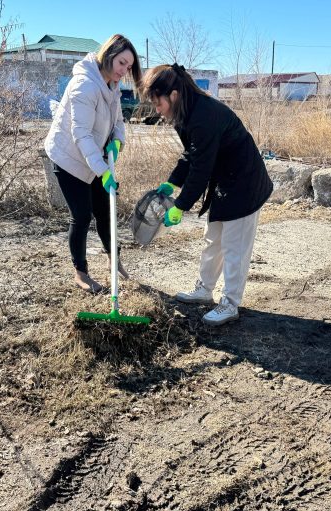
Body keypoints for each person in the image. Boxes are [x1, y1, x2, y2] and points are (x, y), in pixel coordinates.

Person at [141, 63, 273, 326]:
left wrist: (180, 205)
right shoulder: (183, 114)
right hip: (225, 180)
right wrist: (172, 183)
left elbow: (202, 168)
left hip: (245, 182)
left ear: (174, 95)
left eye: (158, 104)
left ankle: (230, 303)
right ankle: (204, 289)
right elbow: (191, 155)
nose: (157, 110)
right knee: (213, 239)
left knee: (235, 246)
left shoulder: (203, 115)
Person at [44, 34, 142, 293]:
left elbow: (119, 122)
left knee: (105, 209)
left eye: (129, 66)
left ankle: (114, 260)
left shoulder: (112, 86)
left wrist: (117, 143)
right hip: (69, 158)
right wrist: (103, 170)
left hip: (95, 156)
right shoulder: (84, 86)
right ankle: (81, 273)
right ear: (108, 55)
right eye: (122, 63)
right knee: (82, 214)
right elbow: (81, 135)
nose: (124, 71)